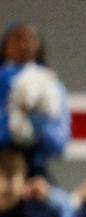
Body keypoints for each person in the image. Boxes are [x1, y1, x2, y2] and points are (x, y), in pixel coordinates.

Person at [0, 23, 69, 181]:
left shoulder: (50, 83)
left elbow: (59, 138)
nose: (24, 45)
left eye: (30, 39)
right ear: (5, 45)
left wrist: (36, 122)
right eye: (17, 38)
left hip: (34, 165)